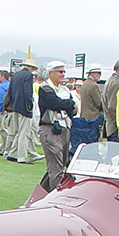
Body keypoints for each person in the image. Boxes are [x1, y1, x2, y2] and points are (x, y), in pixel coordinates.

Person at [38, 60, 77, 189]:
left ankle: (41, 194)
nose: (63, 74)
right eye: (60, 71)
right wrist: (68, 104)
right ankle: (55, 199)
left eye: (64, 71)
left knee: (58, 165)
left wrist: (68, 104)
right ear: (51, 73)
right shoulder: (45, 88)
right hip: (50, 130)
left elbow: (73, 109)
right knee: (56, 168)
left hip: (65, 128)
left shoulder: (64, 89)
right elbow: (55, 103)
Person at [4, 57, 38, 163]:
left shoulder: (16, 75)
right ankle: (22, 157)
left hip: (15, 106)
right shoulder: (28, 76)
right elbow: (28, 92)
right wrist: (30, 105)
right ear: (32, 68)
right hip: (24, 107)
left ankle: (13, 153)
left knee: (17, 132)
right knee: (24, 132)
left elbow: (10, 91)